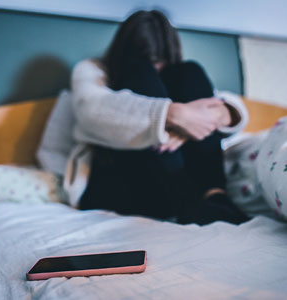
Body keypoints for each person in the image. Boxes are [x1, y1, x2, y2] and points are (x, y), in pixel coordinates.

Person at [65, 10, 250, 225]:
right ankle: (189, 203)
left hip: (172, 187)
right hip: (117, 183)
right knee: (139, 73)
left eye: (160, 63)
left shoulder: (177, 75)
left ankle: (216, 195)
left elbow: (230, 108)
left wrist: (211, 116)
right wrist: (173, 115)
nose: (156, 70)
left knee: (191, 71)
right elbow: (91, 110)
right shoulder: (92, 70)